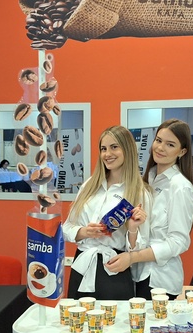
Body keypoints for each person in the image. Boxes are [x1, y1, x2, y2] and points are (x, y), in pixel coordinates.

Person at [108, 119, 193, 300]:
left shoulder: (180, 187)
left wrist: (133, 258)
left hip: (160, 279)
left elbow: (179, 241)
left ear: (182, 151)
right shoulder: (146, 180)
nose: (160, 148)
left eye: (170, 144)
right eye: (158, 140)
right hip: (134, 274)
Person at [62, 125, 151, 300]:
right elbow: (66, 228)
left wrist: (132, 228)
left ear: (128, 149)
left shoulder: (139, 192)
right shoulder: (89, 186)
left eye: (114, 147)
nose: (107, 154)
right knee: (77, 316)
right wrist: (84, 232)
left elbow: (140, 247)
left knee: (115, 318)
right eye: (103, 149)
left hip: (114, 268)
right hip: (82, 265)